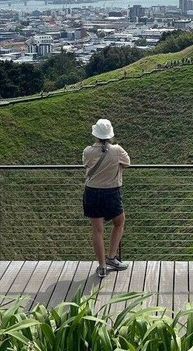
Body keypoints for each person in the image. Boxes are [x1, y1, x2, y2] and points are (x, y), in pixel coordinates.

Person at [83, 119, 131, 278]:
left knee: (97, 230)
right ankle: (112, 257)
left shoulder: (88, 151)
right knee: (119, 222)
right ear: (110, 135)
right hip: (111, 193)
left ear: (95, 135)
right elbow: (128, 163)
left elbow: (86, 165)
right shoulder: (117, 150)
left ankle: (102, 266)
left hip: (92, 192)